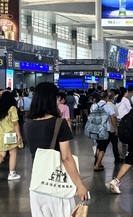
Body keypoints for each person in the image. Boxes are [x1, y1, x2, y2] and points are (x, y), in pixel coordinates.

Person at [24, 82, 88, 215]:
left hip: (37, 183)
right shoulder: (59, 123)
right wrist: (80, 185)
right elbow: (66, 157)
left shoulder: (27, 123)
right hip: (57, 185)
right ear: (52, 99)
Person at [0, 91, 23, 182]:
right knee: (12, 153)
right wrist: (19, 136)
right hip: (10, 134)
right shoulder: (12, 108)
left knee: (1, 154)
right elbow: (15, 123)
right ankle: (12, 173)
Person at [92, 91, 120, 171]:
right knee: (102, 148)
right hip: (105, 129)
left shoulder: (94, 106)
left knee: (98, 146)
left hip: (96, 129)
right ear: (107, 98)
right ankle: (97, 165)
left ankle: (99, 162)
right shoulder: (108, 107)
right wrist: (115, 128)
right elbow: (112, 119)